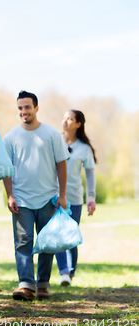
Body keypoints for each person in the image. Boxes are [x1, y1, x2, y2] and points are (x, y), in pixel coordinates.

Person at [2, 91, 69, 301]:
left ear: (36, 108)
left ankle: (42, 284)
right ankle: (26, 285)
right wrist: (10, 195)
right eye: (20, 108)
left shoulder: (51, 134)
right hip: (21, 200)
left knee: (46, 243)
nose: (23, 112)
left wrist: (63, 195)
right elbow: (6, 169)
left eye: (27, 107)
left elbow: (62, 164)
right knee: (23, 242)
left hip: (47, 198)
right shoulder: (11, 137)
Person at [56, 110, 97, 287]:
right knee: (58, 235)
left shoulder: (84, 148)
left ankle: (70, 273)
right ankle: (63, 272)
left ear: (78, 124)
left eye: (70, 119)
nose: (65, 121)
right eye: (64, 118)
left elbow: (89, 173)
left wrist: (91, 198)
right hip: (54, 197)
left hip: (75, 198)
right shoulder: (55, 141)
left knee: (71, 236)